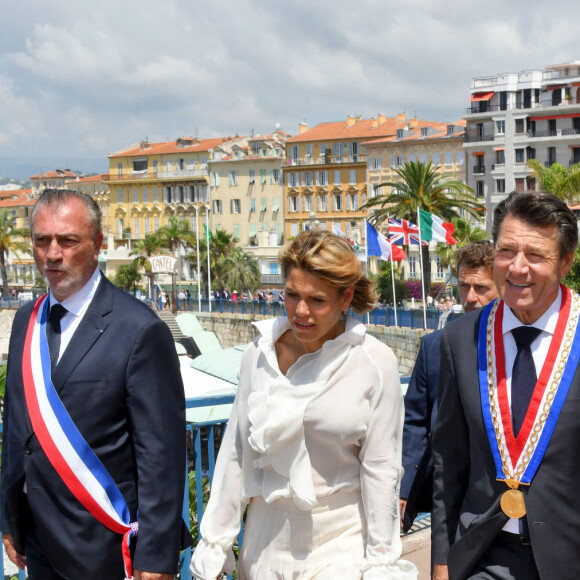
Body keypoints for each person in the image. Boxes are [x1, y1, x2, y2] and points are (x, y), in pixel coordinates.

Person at [190, 230, 417, 579]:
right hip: (265, 537)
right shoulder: (258, 354)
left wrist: (381, 559)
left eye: (317, 300)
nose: (301, 311)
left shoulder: (374, 362)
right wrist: (215, 543)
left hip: (340, 540)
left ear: (346, 298)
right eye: (292, 295)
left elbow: (381, 468)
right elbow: (236, 452)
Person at [0, 189, 189, 580]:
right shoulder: (25, 322)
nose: (53, 254)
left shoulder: (140, 330)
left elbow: (161, 455)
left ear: (98, 244)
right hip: (37, 539)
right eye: (42, 240)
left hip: (104, 542)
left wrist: (155, 556)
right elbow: (18, 428)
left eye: (68, 241)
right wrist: (9, 519)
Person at [432, 191, 579, 580]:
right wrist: (442, 563)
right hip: (483, 557)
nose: (516, 268)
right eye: (506, 250)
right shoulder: (460, 340)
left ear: (565, 262)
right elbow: (449, 462)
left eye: (535, 255)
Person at [400, 241, 498, 532]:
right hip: (446, 498)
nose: (469, 297)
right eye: (464, 286)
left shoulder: (520, 349)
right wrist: (404, 490)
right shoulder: (434, 347)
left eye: (481, 288)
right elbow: (414, 423)